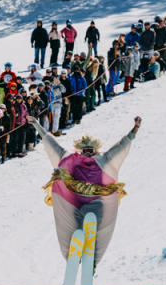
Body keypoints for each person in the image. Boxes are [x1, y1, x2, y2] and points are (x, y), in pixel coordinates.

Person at [36, 116, 141, 272]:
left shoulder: (103, 159)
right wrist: (37, 125)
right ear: (80, 150)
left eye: (90, 151)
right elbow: (52, 145)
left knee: (95, 227)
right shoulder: (71, 159)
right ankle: (74, 254)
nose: (87, 154)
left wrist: (135, 129)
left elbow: (121, 145)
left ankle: (91, 260)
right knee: (75, 229)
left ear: (96, 150)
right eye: (85, 151)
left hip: (97, 200)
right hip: (75, 202)